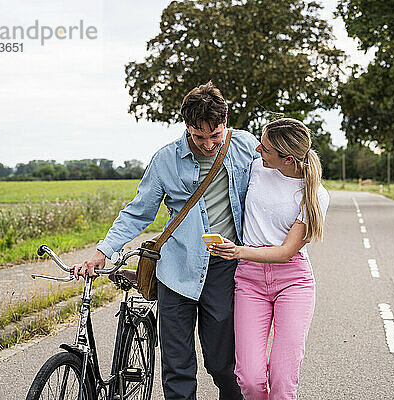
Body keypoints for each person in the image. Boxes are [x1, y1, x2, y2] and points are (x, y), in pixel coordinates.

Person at [74, 81, 259, 400]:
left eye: (215, 135)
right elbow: (137, 213)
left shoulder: (244, 145)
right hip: (176, 273)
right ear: (186, 126)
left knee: (223, 366)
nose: (209, 145)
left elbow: (274, 185)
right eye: (200, 136)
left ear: (225, 123)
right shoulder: (165, 160)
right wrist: (103, 251)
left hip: (225, 272)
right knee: (177, 368)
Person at [210, 118, 329, 400]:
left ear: (287, 159)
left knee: (282, 379)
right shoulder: (255, 168)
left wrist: (238, 251)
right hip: (250, 282)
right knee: (249, 378)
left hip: (293, 282)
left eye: (265, 148)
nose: (257, 149)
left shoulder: (315, 195)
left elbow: (285, 252)